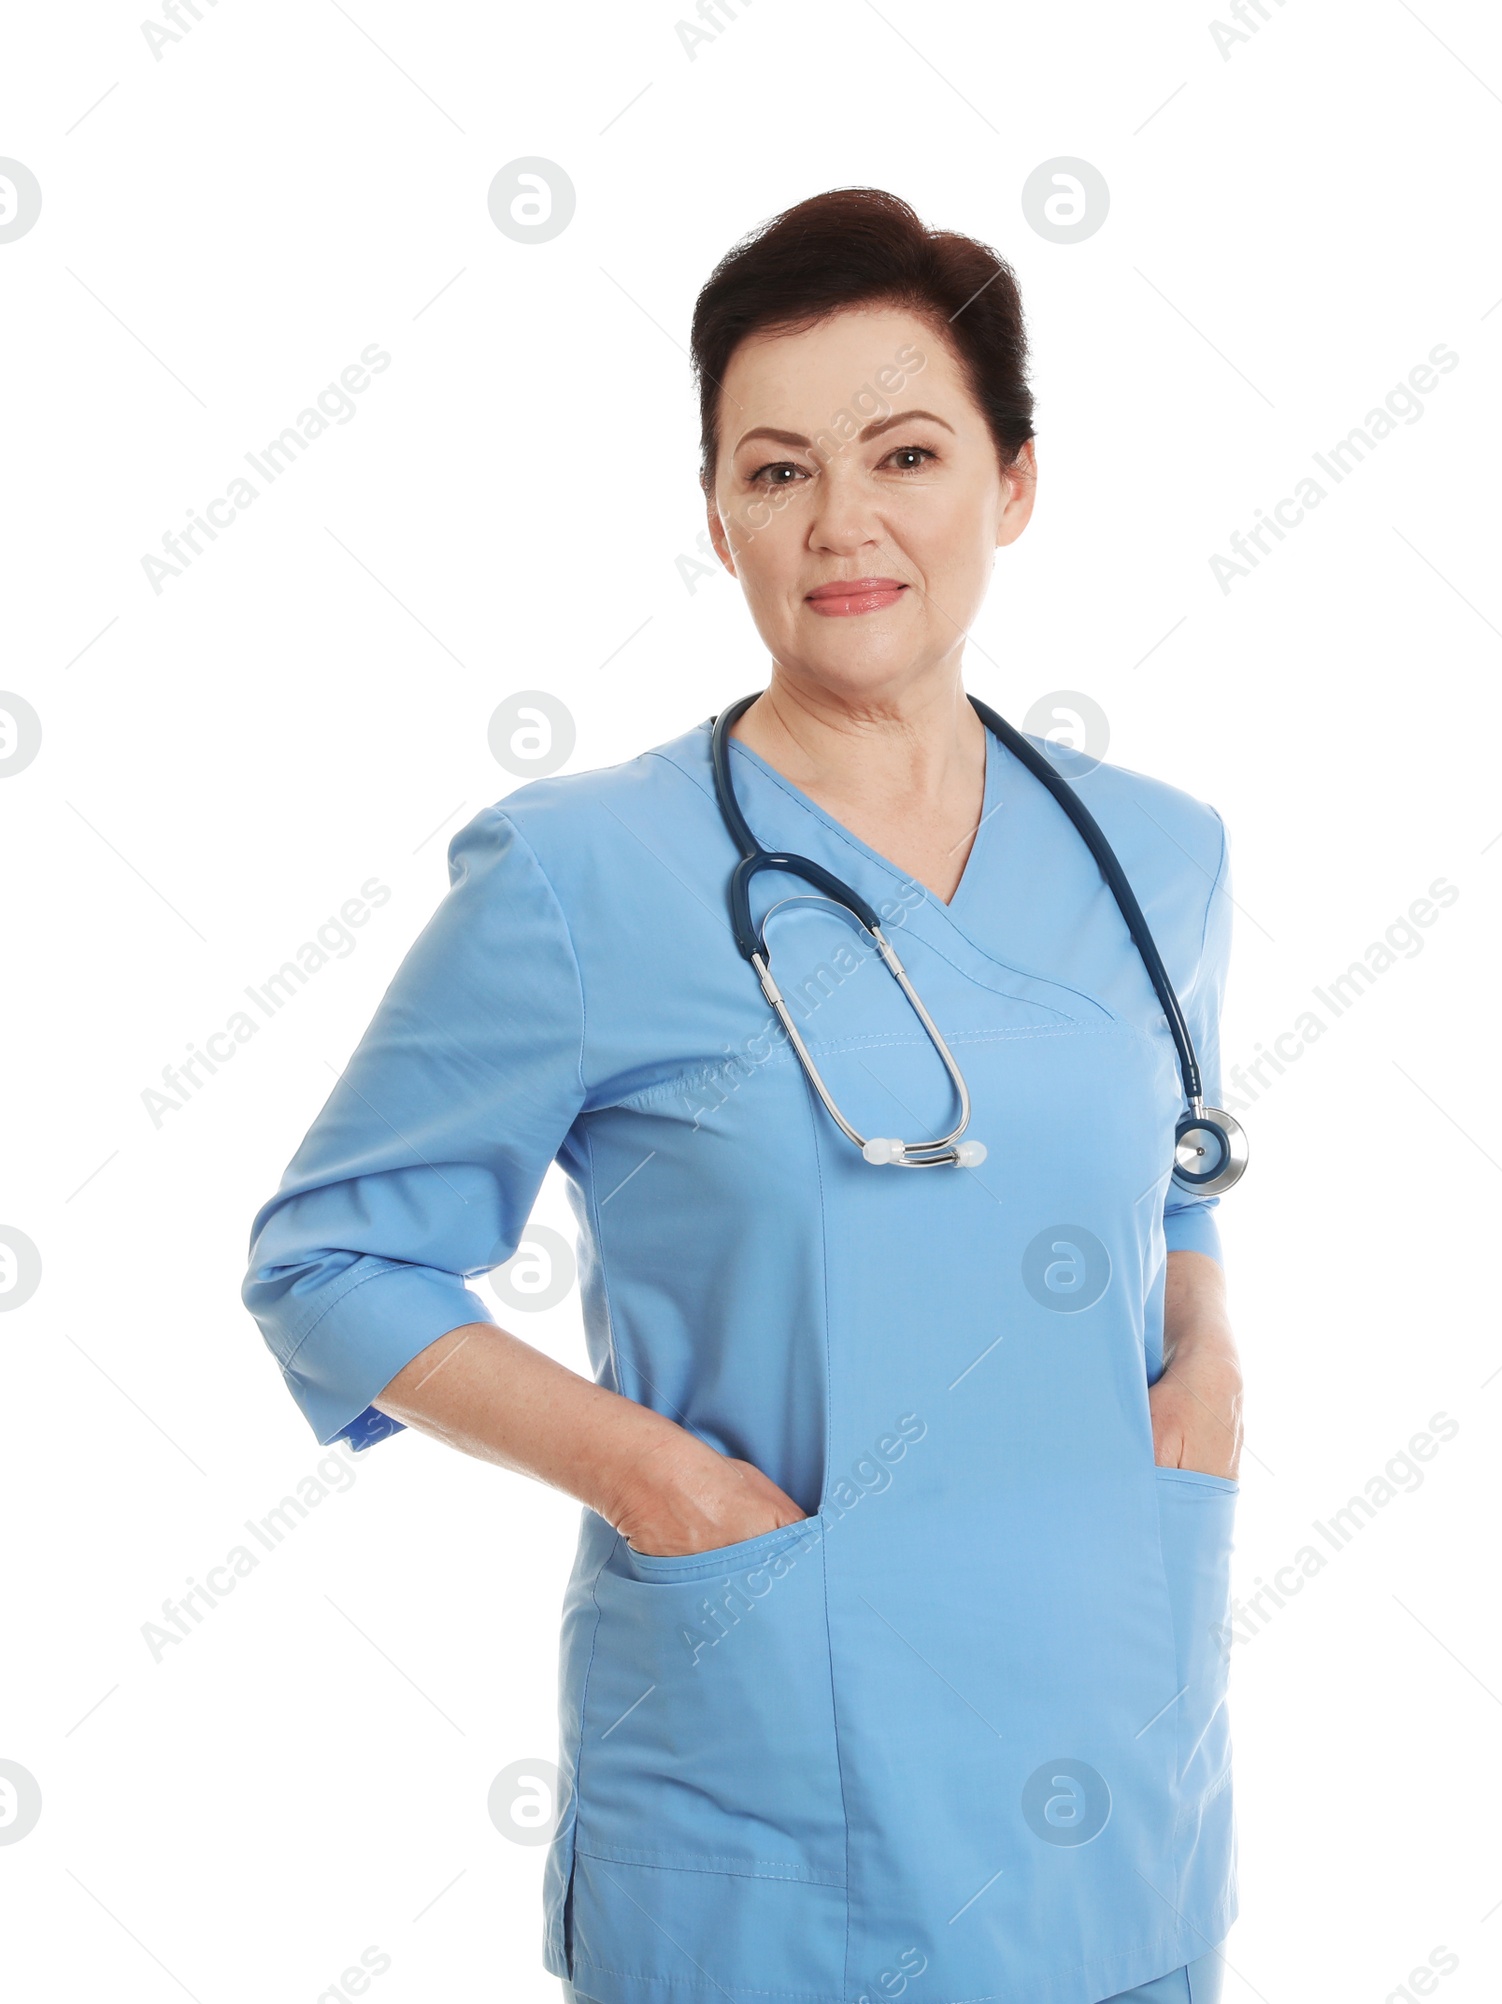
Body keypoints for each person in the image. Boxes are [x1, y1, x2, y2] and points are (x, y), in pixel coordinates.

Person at [242, 186, 1245, 2004]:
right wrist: (653, 1478)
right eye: (776, 471)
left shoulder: (1153, 861)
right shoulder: (580, 876)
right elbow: (329, 1262)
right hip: (774, 1798)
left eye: (908, 452)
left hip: (1111, 1784)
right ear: (716, 517)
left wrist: (1215, 1358)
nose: (844, 522)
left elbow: (1167, 1172)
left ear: (1015, 484)